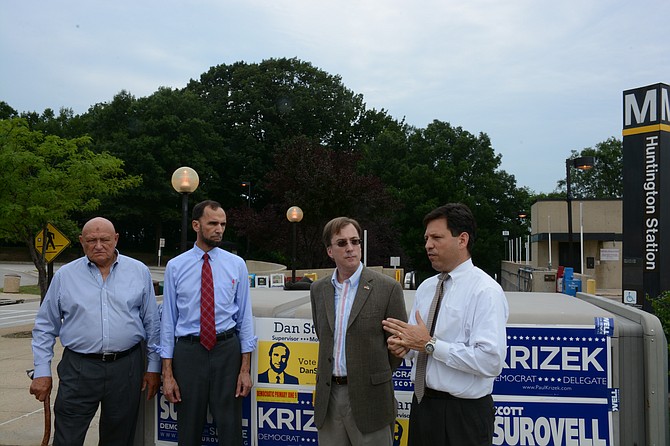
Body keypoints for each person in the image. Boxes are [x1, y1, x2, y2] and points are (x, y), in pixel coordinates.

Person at [382, 203, 509, 446]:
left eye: (437, 237)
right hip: (422, 406)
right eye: (427, 238)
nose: (428, 244)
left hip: (464, 415)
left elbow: (491, 360)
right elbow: (414, 341)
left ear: (462, 240)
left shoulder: (485, 291)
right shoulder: (427, 287)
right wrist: (404, 347)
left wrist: (429, 345)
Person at [30, 217, 161, 446]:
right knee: (67, 437)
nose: (98, 245)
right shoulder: (65, 276)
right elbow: (45, 326)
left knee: (119, 438)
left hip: (126, 368)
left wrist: (153, 367)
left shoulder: (138, 271)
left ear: (116, 239)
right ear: (82, 242)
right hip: (79, 368)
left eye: (105, 239)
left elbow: (152, 324)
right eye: (91, 240)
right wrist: (42, 371)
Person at [160, 200, 257, 446]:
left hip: (227, 349)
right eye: (213, 223)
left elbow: (245, 317)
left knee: (230, 427)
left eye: (223, 224)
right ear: (196, 225)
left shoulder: (236, 265)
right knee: (188, 428)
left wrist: (245, 369)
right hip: (188, 352)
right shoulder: (175, 266)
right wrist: (167, 373)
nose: (219, 229)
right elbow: (168, 321)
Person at [310, 216, 407, 446]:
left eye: (355, 241)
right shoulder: (318, 290)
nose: (350, 248)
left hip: (371, 399)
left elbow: (397, 347)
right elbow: (322, 335)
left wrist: (372, 376)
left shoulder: (388, 288)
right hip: (329, 399)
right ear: (330, 251)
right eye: (342, 243)